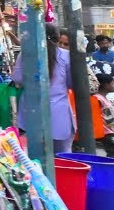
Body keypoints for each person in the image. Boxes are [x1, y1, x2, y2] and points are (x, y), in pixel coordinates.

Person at [12, 25, 76, 153]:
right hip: (59, 113)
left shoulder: (25, 54)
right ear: (57, 38)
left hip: (31, 112)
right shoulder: (65, 55)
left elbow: (17, 78)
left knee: (35, 158)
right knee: (62, 157)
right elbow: (71, 83)